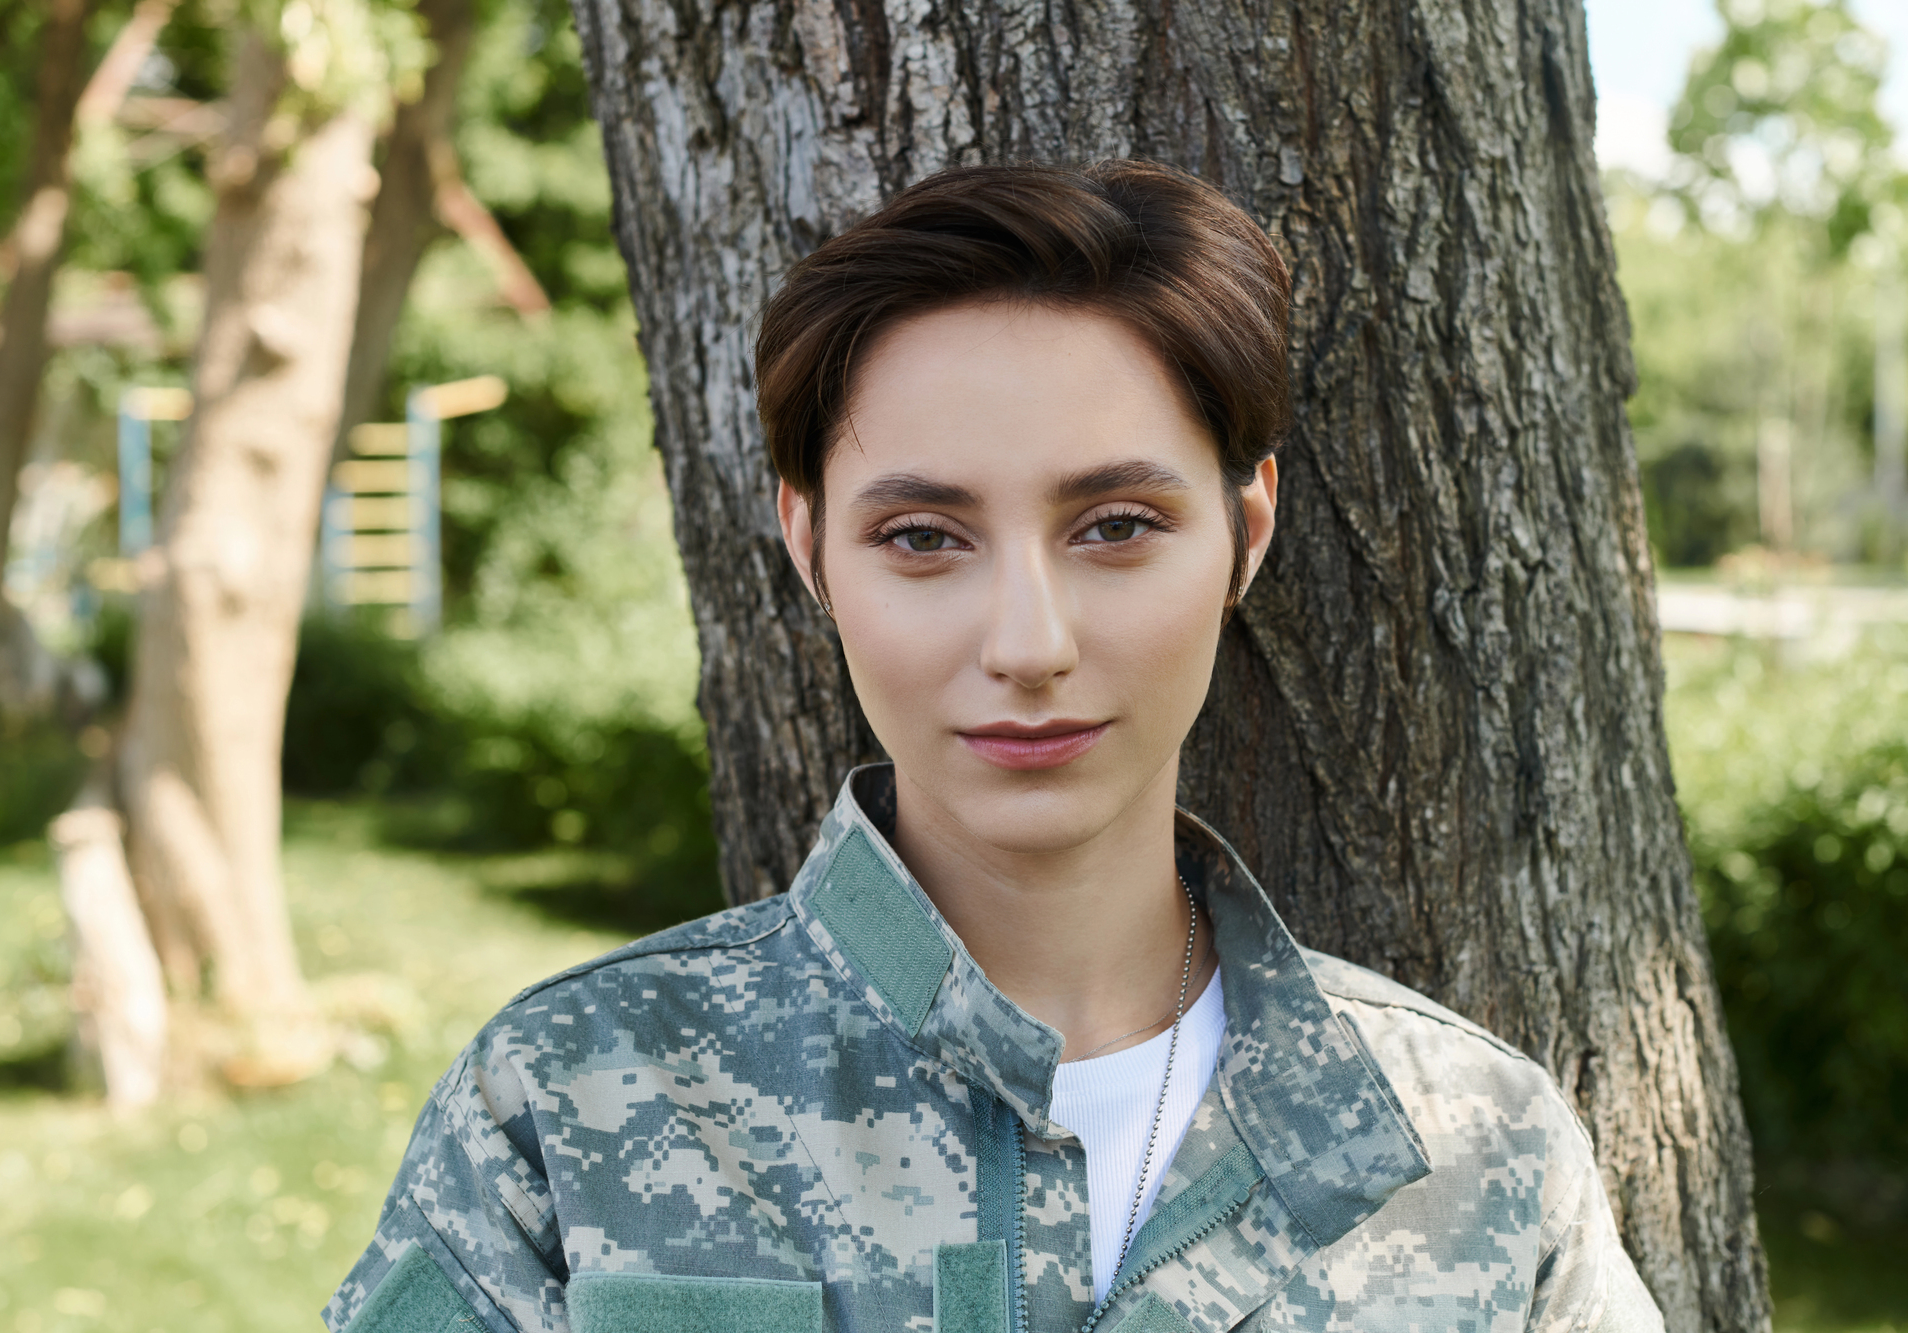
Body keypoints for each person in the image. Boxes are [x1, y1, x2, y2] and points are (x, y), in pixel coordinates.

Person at [325, 161, 1664, 1333]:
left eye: (1118, 525)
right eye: (924, 538)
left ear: (1247, 530)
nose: (1029, 642)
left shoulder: (1473, 1150)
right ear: (810, 548)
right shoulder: (568, 1106)